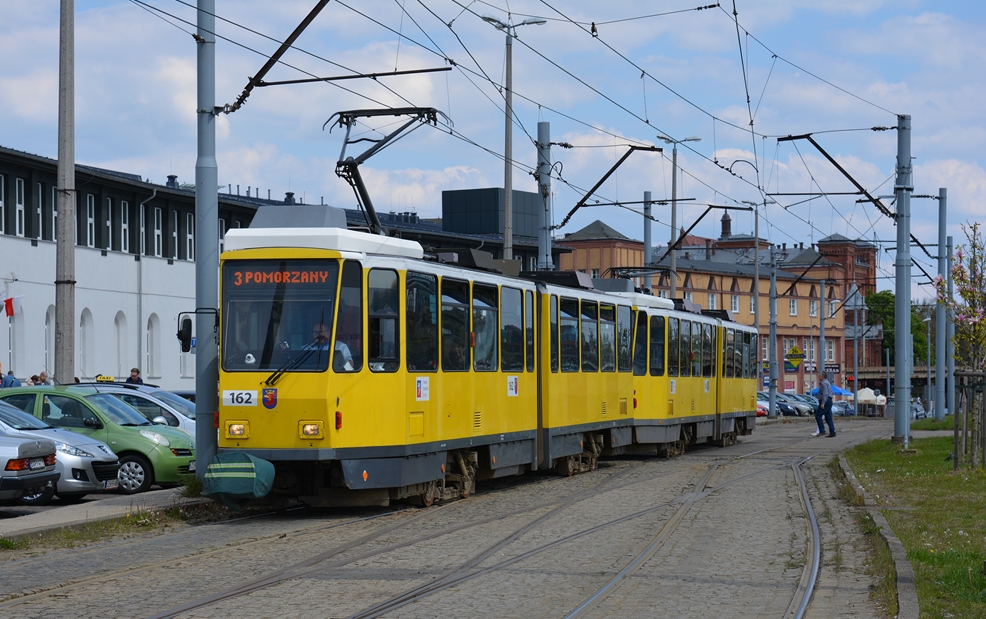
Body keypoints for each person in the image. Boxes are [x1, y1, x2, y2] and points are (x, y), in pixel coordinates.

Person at [816, 372, 836, 438]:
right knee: (828, 417)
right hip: (829, 401)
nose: (819, 377)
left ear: (823, 376)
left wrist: (823, 403)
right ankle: (832, 432)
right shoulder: (827, 382)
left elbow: (825, 393)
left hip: (825, 401)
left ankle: (822, 431)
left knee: (818, 415)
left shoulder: (824, 383)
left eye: (820, 376)